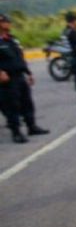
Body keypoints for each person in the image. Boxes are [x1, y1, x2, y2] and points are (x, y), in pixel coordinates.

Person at [0, 13, 50, 143]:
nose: (8, 23)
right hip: (7, 79)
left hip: (20, 76)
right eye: (5, 21)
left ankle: (31, 126)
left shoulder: (12, 39)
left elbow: (20, 57)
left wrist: (28, 73)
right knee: (12, 106)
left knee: (27, 103)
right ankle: (16, 132)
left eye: (7, 21)